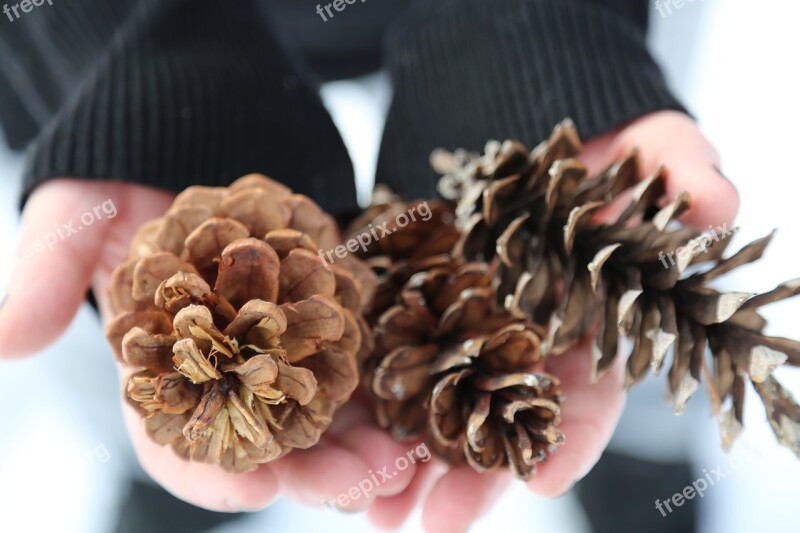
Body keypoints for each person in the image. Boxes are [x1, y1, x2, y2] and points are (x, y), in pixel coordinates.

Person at [0, 1, 738, 531]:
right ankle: (164, 479)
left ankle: (644, 460)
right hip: (98, 39)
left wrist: (544, 27)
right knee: (97, 316)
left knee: (612, 255)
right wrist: (114, 36)